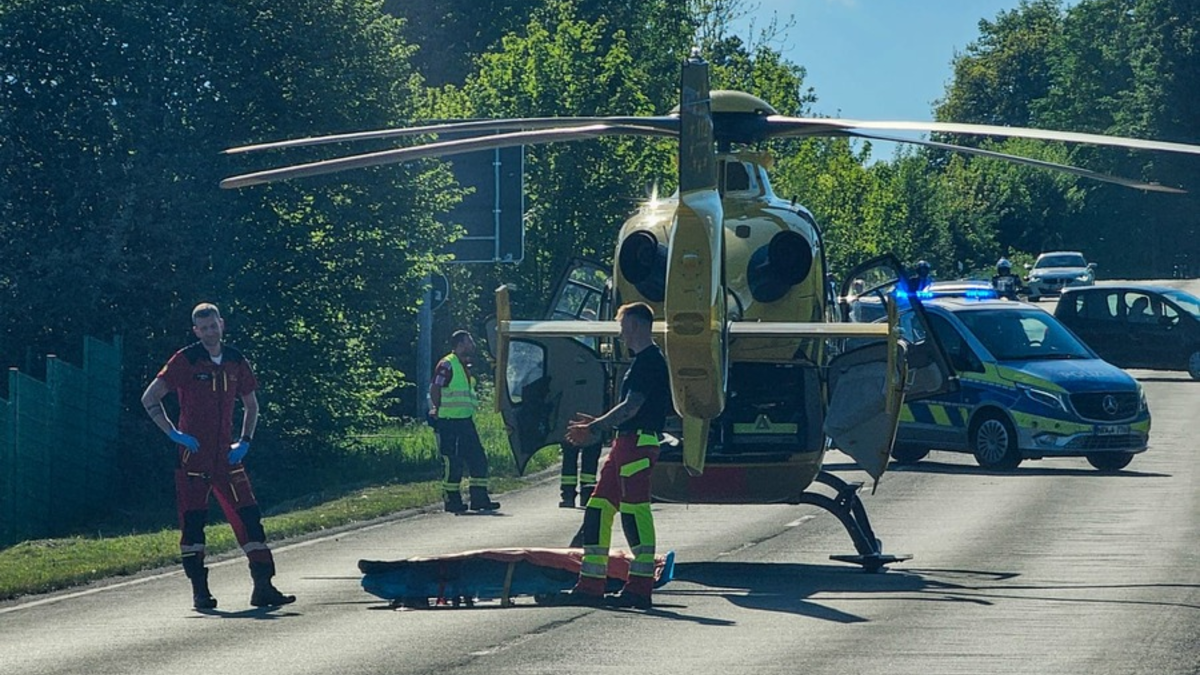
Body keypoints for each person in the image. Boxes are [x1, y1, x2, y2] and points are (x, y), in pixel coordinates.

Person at [141, 303, 295, 610]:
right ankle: (200, 591)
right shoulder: (186, 360)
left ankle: (263, 585)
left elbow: (251, 404)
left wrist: (245, 440)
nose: (210, 332)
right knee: (194, 522)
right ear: (196, 331)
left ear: (222, 324)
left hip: (227, 457)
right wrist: (174, 434)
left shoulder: (236, 360)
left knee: (249, 518)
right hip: (193, 459)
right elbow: (150, 398)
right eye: (203, 328)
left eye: (214, 325)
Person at [563, 302, 671, 609]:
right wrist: (598, 425)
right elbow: (628, 408)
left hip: (638, 442)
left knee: (635, 511)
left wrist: (595, 426)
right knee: (598, 508)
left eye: (623, 326)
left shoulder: (649, 362)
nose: (621, 333)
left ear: (635, 326)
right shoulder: (642, 362)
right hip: (625, 442)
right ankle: (591, 584)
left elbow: (631, 407)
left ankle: (640, 586)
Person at [429, 330, 500, 513]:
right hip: (449, 422)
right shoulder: (447, 364)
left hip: (465, 421)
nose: (473, 345)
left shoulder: (463, 365)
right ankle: (452, 501)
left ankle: (479, 499)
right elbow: (435, 387)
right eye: (469, 342)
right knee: (453, 462)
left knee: (478, 459)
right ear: (460, 344)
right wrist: (437, 408)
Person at [558, 440, 601, 508]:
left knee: (569, 457)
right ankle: (586, 496)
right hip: (594, 431)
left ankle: (568, 497)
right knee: (590, 458)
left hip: (569, 431)